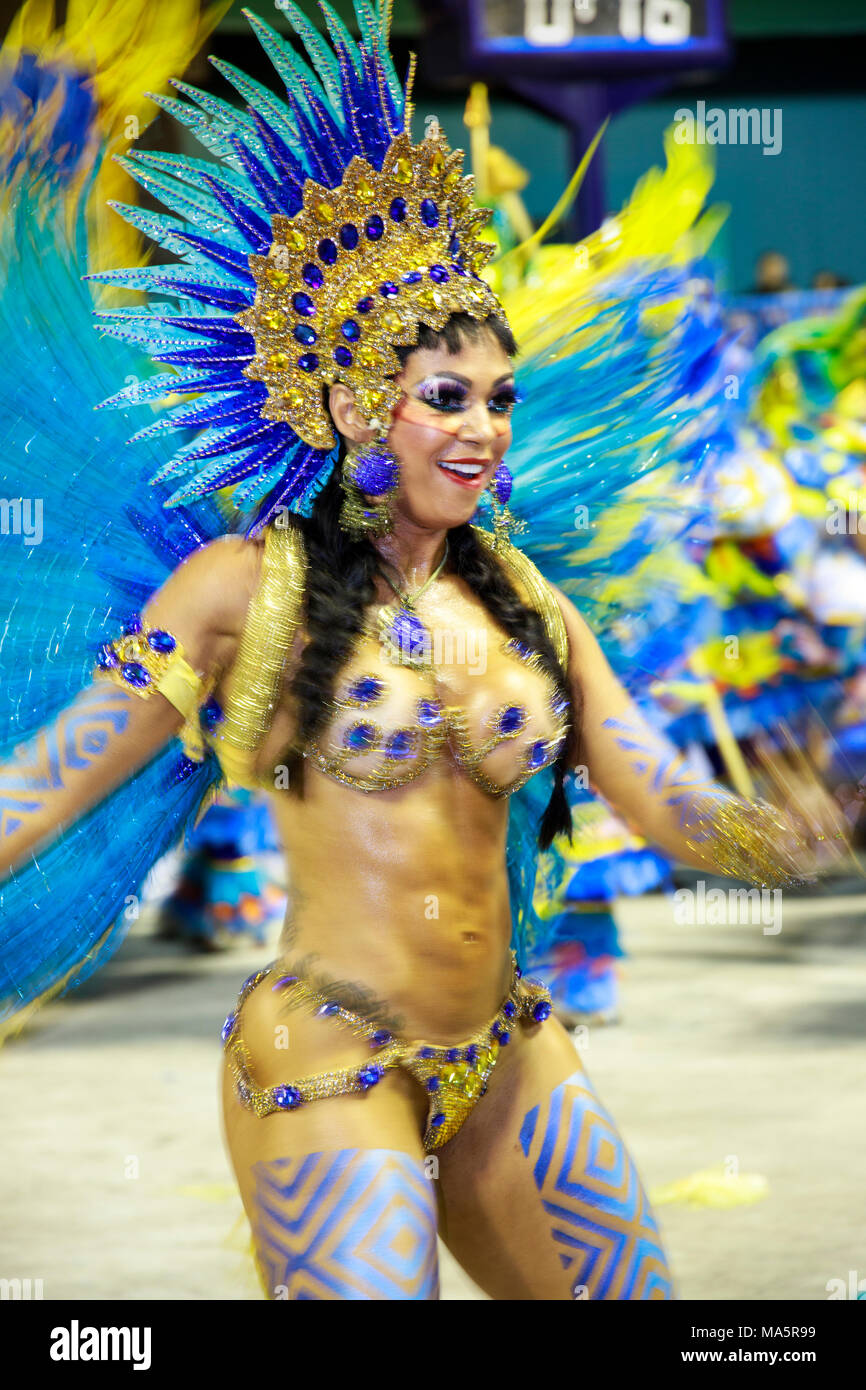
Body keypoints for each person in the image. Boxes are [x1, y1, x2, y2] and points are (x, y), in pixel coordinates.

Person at [0, 2, 843, 1300]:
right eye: (445, 397)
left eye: (498, 397)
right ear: (348, 404)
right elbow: (49, 781)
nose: (484, 428)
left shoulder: (522, 599)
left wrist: (780, 839)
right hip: (328, 1060)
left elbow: (660, 798)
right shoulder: (242, 587)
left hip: (510, 1048)